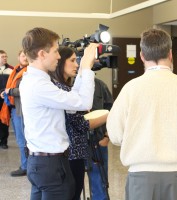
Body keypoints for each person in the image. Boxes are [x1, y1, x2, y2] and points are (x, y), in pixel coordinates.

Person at [106, 28, 177, 200]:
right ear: (170, 54)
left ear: (141, 56)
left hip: (140, 177)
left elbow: (115, 135)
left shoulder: (130, 89)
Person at [20, 27, 98, 200]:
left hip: (43, 163)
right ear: (42, 54)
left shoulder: (37, 80)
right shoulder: (39, 86)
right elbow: (84, 103)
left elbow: (72, 101)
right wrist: (86, 67)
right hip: (51, 166)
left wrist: (83, 69)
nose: (58, 56)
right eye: (55, 51)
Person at [49, 46, 108, 200]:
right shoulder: (59, 88)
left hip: (70, 153)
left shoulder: (61, 88)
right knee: (73, 194)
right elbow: (81, 121)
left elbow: (75, 95)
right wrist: (108, 115)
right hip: (72, 154)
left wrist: (83, 71)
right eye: (73, 60)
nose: (76, 65)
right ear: (61, 62)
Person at [0, 50, 28, 176]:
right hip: (13, 107)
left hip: (22, 109)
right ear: (18, 57)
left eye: (27, 56)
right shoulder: (15, 70)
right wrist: (5, 91)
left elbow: (25, 90)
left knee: (22, 140)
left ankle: (25, 166)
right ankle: (26, 164)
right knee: (20, 139)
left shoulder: (29, 72)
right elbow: (9, 86)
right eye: (23, 55)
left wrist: (9, 91)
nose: (25, 58)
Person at [86, 77, 113, 200]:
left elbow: (112, 112)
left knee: (100, 185)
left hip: (98, 141)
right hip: (74, 145)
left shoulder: (100, 85)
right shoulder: (66, 86)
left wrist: (107, 136)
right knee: (72, 187)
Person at [0, 50, 13, 149]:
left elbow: (12, 85)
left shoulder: (11, 70)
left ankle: (3, 142)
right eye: (2, 57)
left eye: (5, 56)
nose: (5, 58)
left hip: (5, 99)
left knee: (4, 120)